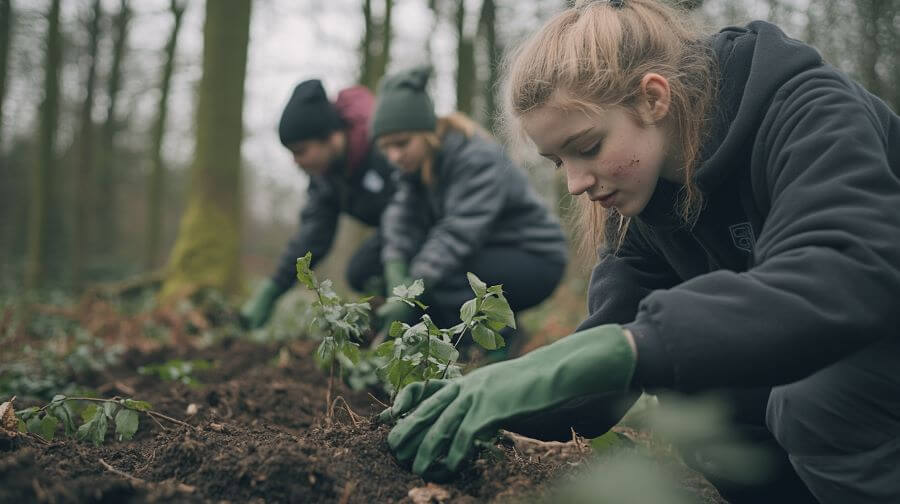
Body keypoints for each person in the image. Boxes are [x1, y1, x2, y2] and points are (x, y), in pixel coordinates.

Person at [379, 1, 900, 503]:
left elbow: (843, 271)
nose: (578, 183)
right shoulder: (641, 200)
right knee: (695, 400)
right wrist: (491, 398)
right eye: (559, 161)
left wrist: (632, 347)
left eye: (587, 147)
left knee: (817, 403)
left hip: (877, 331)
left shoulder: (805, 108)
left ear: (653, 98)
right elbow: (614, 357)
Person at [370, 66, 569, 342]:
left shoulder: (474, 158)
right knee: (425, 275)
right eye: (385, 147)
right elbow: (399, 217)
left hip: (534, 259)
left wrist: (412, 290)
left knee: (440, 279)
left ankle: (500, 341)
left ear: (426, 132)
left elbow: (457, 233)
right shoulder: (414, 168)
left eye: (402, 144)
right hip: (487, 252)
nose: (394, 155)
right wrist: (395, 267)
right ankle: (467, 341)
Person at [240, 79, 395, 329]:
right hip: (396, 238)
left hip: (433, 230)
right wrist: (272, 289)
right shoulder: (327, 178)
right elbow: (312, 237)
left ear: (331, 137)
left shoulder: (384, 149)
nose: (296, 161)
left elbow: (413, 215)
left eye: (301, 150)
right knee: (362, 272)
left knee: (371, 266)